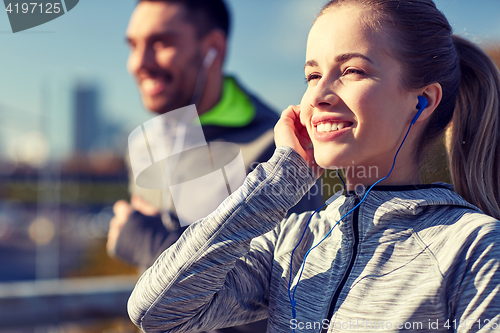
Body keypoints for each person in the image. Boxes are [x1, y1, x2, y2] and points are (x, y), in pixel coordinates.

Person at [127, 0, 500, 332]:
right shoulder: (290, 242)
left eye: (352, 70)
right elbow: (156, 314)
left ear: (422, 100)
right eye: (313, 76)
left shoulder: (475, 247)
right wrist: (282, 180)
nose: (319, 95)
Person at [107, 0, 323, 332]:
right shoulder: (146, 143)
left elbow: (290, 290)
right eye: (133, 45)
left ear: (213, 49)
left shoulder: (280, 148)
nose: (138, 63)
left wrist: (146, 241)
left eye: (161, 42)